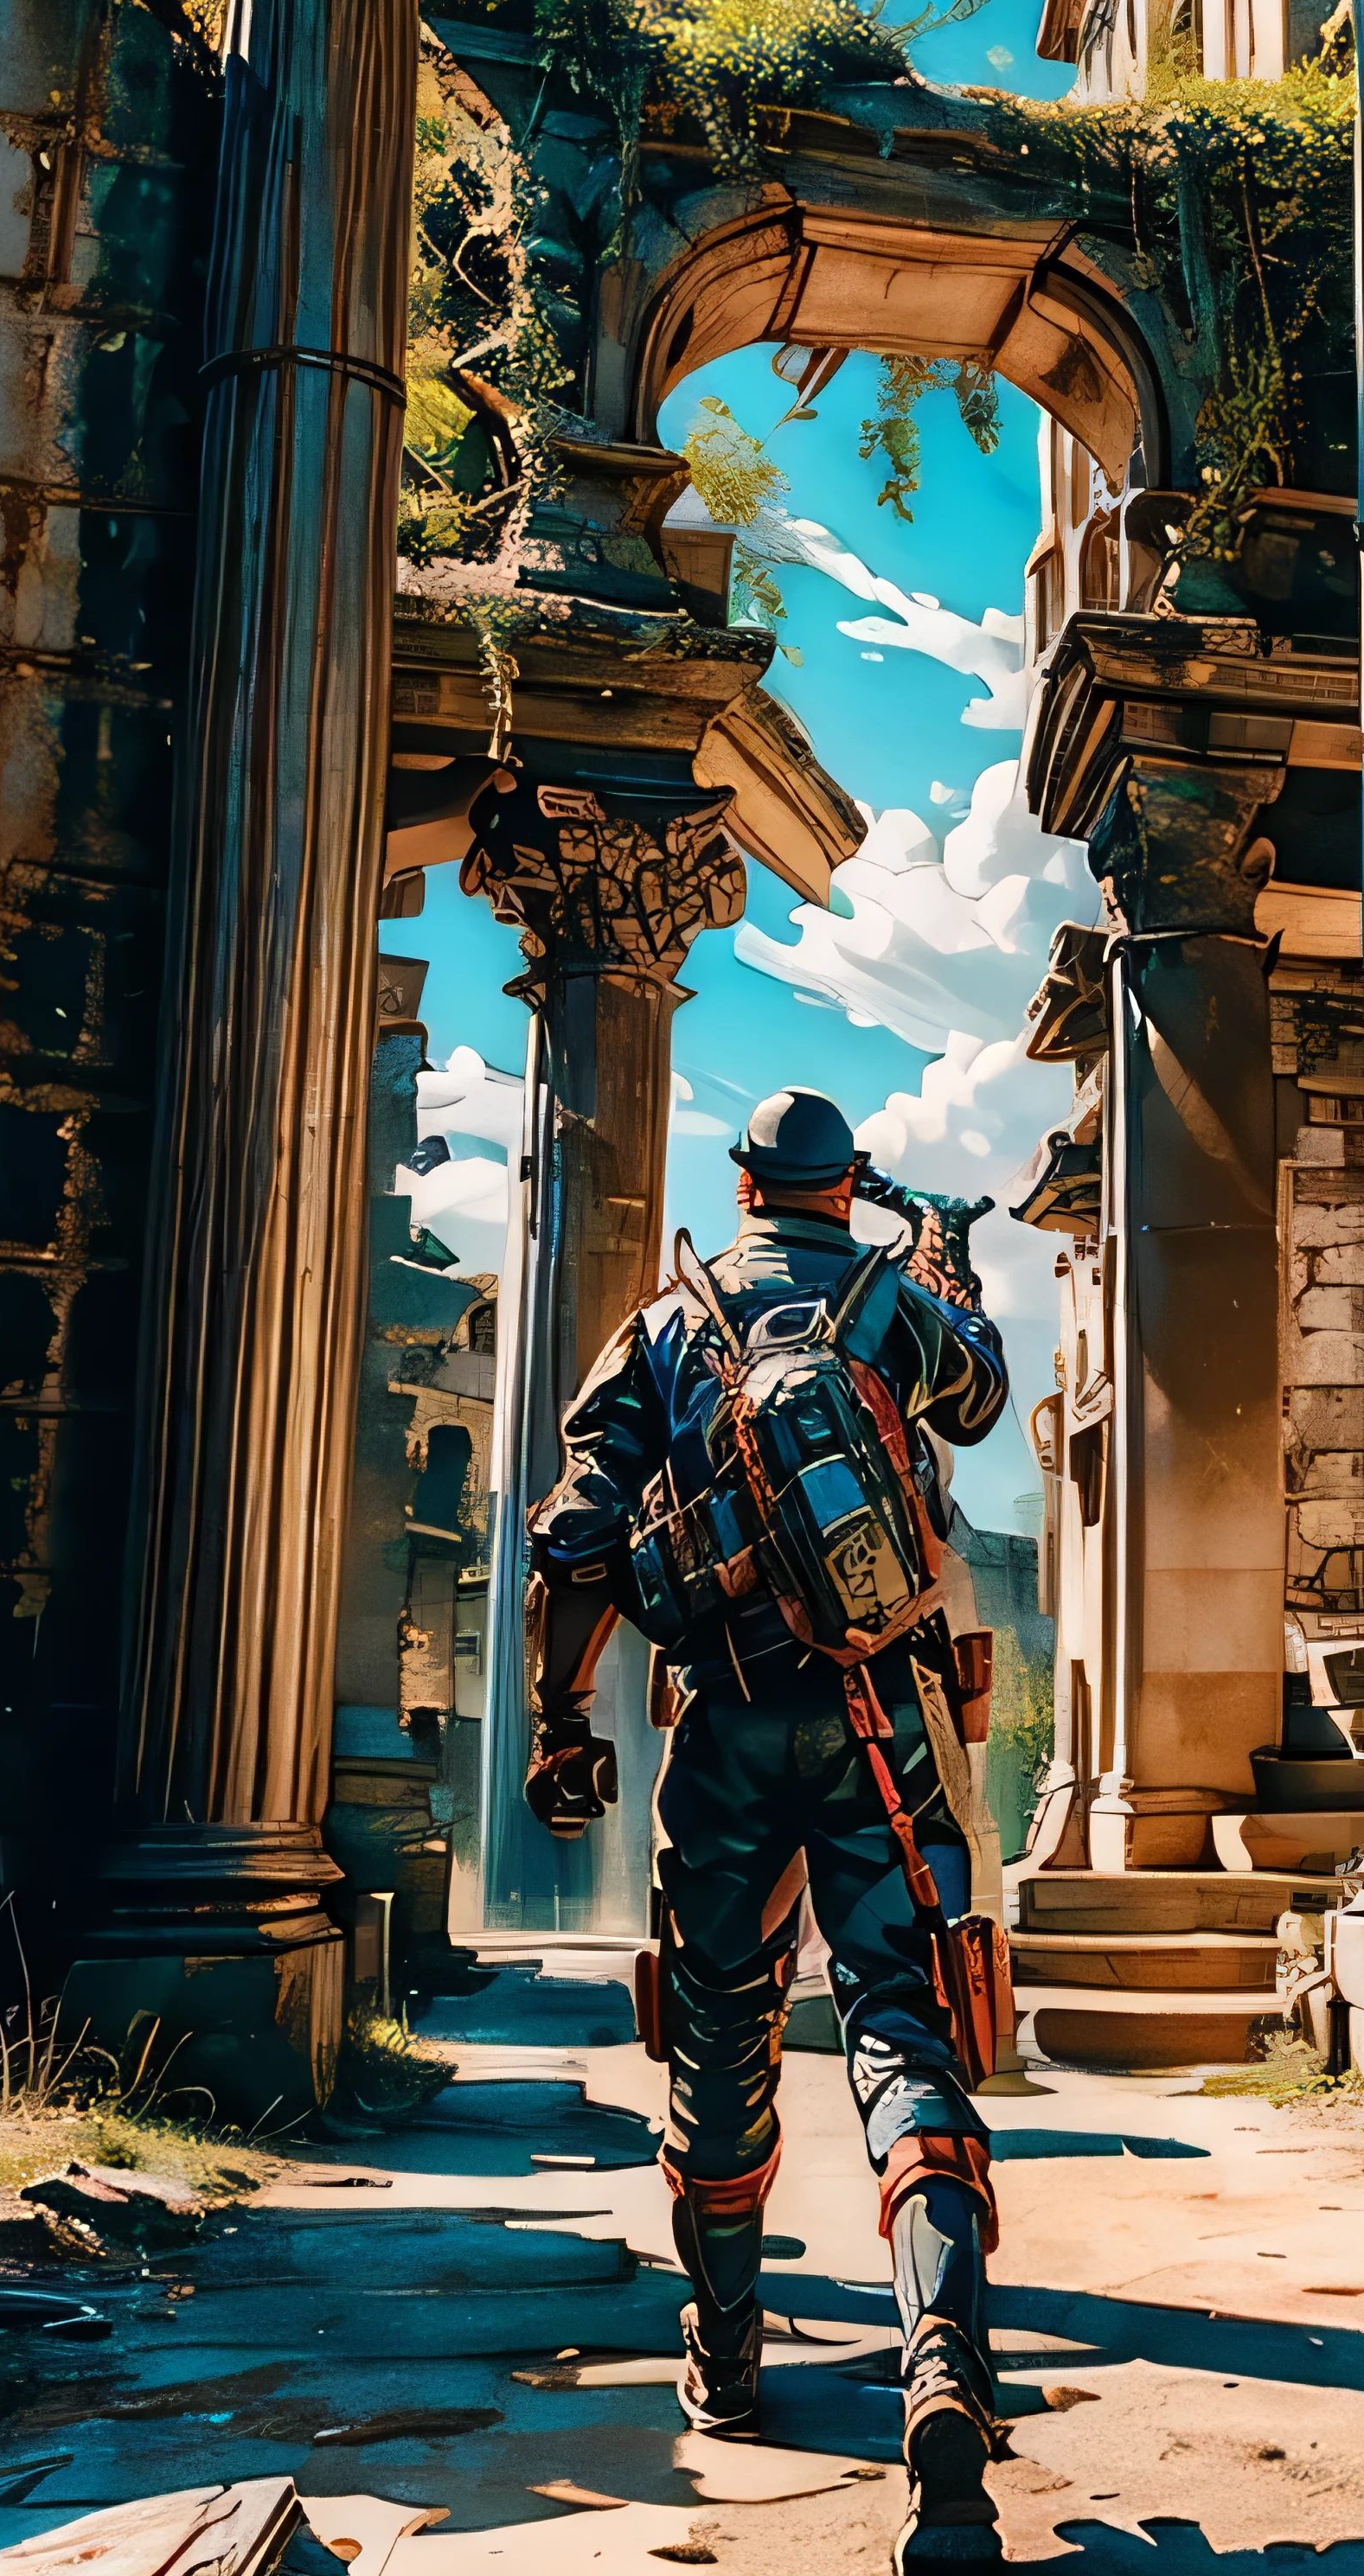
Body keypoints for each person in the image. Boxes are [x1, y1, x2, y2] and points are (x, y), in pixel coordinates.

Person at [522, 1085, 1014, 2574]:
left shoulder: (666, 1326)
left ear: (741, 1182)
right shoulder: (888, 1304)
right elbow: (980, 1403)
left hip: (723, 1732)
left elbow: (579, 1538)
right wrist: (938, 1266)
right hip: (887, 1733)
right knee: (904, 2030)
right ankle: (941, 2365)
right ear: (843, 1182)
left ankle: (726, 2356)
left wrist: (562, 1717)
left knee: (719, 2036)